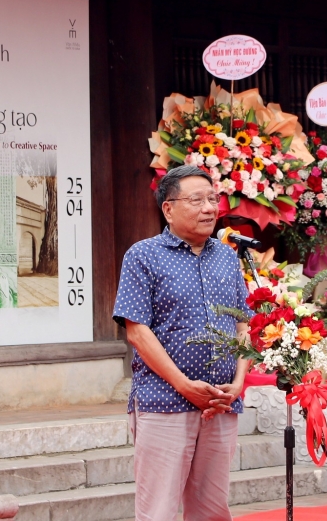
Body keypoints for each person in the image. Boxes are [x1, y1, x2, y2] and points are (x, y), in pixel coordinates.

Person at [113, 165, 252, 521]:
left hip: (221, 403)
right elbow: (136, 331)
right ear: (168, 209)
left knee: (212, 510)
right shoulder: (143, 255)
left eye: (212, 199)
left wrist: (237, 384)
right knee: (157, 510)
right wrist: (184, 385)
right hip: (164, 402)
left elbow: (243, 324)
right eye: (197, 200)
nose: (209, 208)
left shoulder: (226, 255)